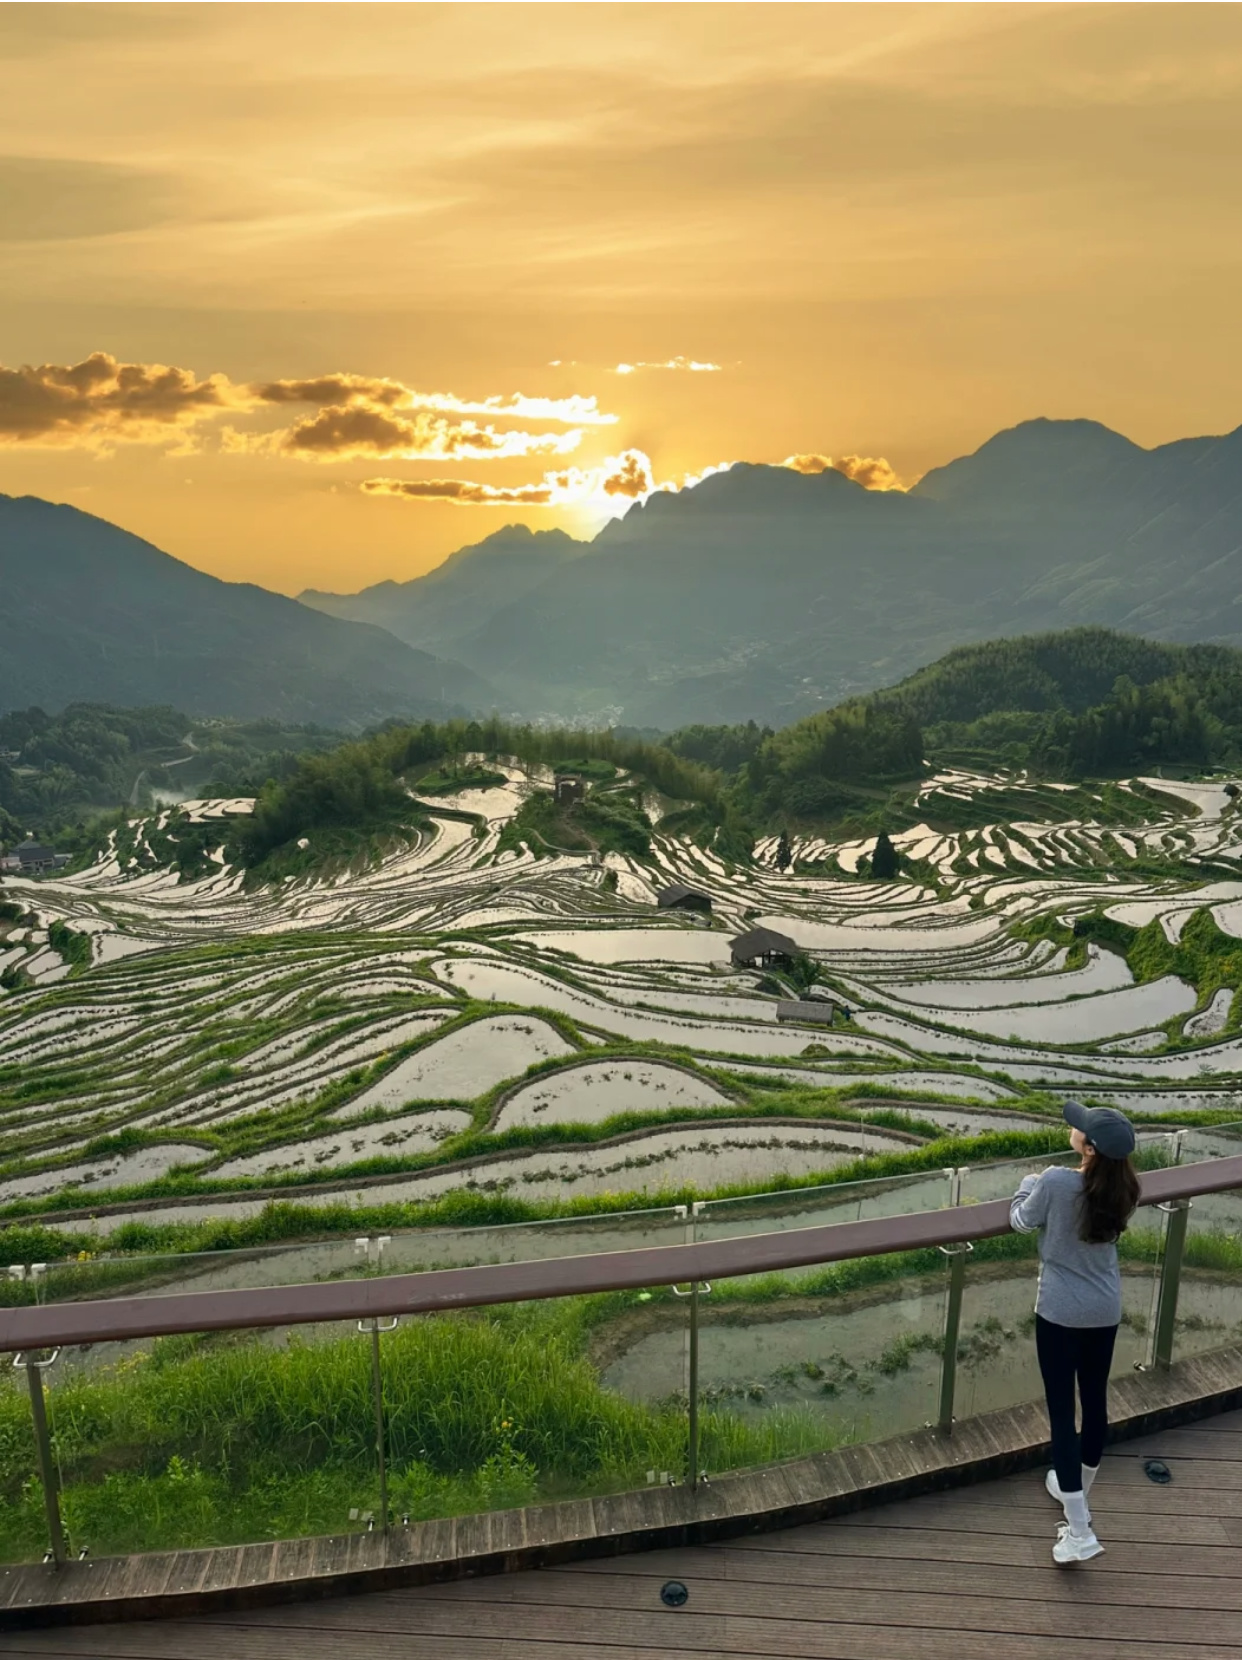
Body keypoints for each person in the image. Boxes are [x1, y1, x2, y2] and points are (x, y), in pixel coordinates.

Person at [1010, 1101, 1140, 1565]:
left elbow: (1020, 1220)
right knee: (1095, 1401)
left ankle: (1080, 1530)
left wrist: (1027, 1184)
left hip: (1061, 1313)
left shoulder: (1055, 1181)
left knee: (1063, 1414)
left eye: (1080, 1127)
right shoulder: (1125, 1187)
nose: (1073, 1126)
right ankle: (1076, 1490)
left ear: (1088, 1148)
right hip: (1104, 1309)